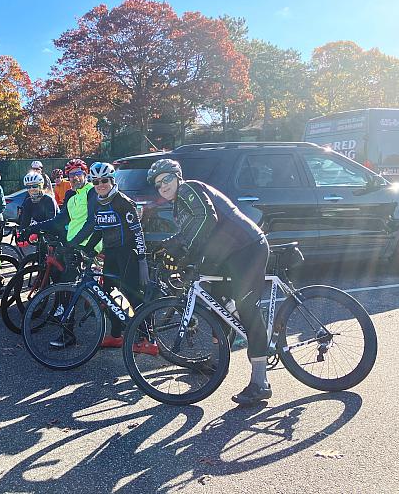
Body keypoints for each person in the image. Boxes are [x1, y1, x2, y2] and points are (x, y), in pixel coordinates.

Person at [146, 158, 270, 406]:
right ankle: (217, 360)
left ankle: (260, 382)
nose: (163, 186)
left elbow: (206, 219)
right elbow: (187, 232)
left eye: (167, 179)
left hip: (247, 247)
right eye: (158, 184)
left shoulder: (189, 188)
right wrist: (165, 247)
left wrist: (188, 254)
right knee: (218, 305)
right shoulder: (178, 205)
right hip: (227, 254)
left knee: (246, 308)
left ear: (178, 176)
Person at [18, 158, 101, 347]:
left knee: (67, 287)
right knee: (65, 283)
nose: (74, 178)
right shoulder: (71, 194)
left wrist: (75, 243)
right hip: (72, 244)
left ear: (85, 174)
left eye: (78, 174)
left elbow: (92, 223)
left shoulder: (91, 192)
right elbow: (61, 219)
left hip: (87, 245)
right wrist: (33, 228)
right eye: (71, 175)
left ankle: (68, 334)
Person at [74, 162, 151, 351]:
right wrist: (87, 248)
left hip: (128, 256)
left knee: (132, 296)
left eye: (104, 181)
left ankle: (147, 339)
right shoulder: (100, 203)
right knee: (110, 296)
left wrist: (142, 259)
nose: (100, 184)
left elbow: (138, 232)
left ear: (112, 181)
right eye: (96, 181)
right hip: (111, 255)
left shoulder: (123, 202)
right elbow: (99, 230)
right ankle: (117, 335)